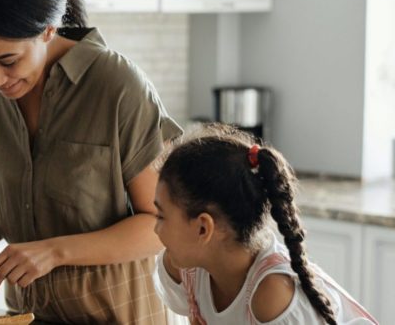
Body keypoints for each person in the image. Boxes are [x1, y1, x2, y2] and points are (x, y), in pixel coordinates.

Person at [0, 0, 184, 323]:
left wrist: (53, 252)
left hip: (119, 315)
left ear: (48, 31)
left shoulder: (117, 86)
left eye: (8, 61)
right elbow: (9, 194)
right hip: (27, 313)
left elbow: (161, 223)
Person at [153, 125, 377, 324]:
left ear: (203, 228)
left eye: (161, 216)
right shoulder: (188, 269)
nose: (155, 229)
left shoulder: (273, 295)